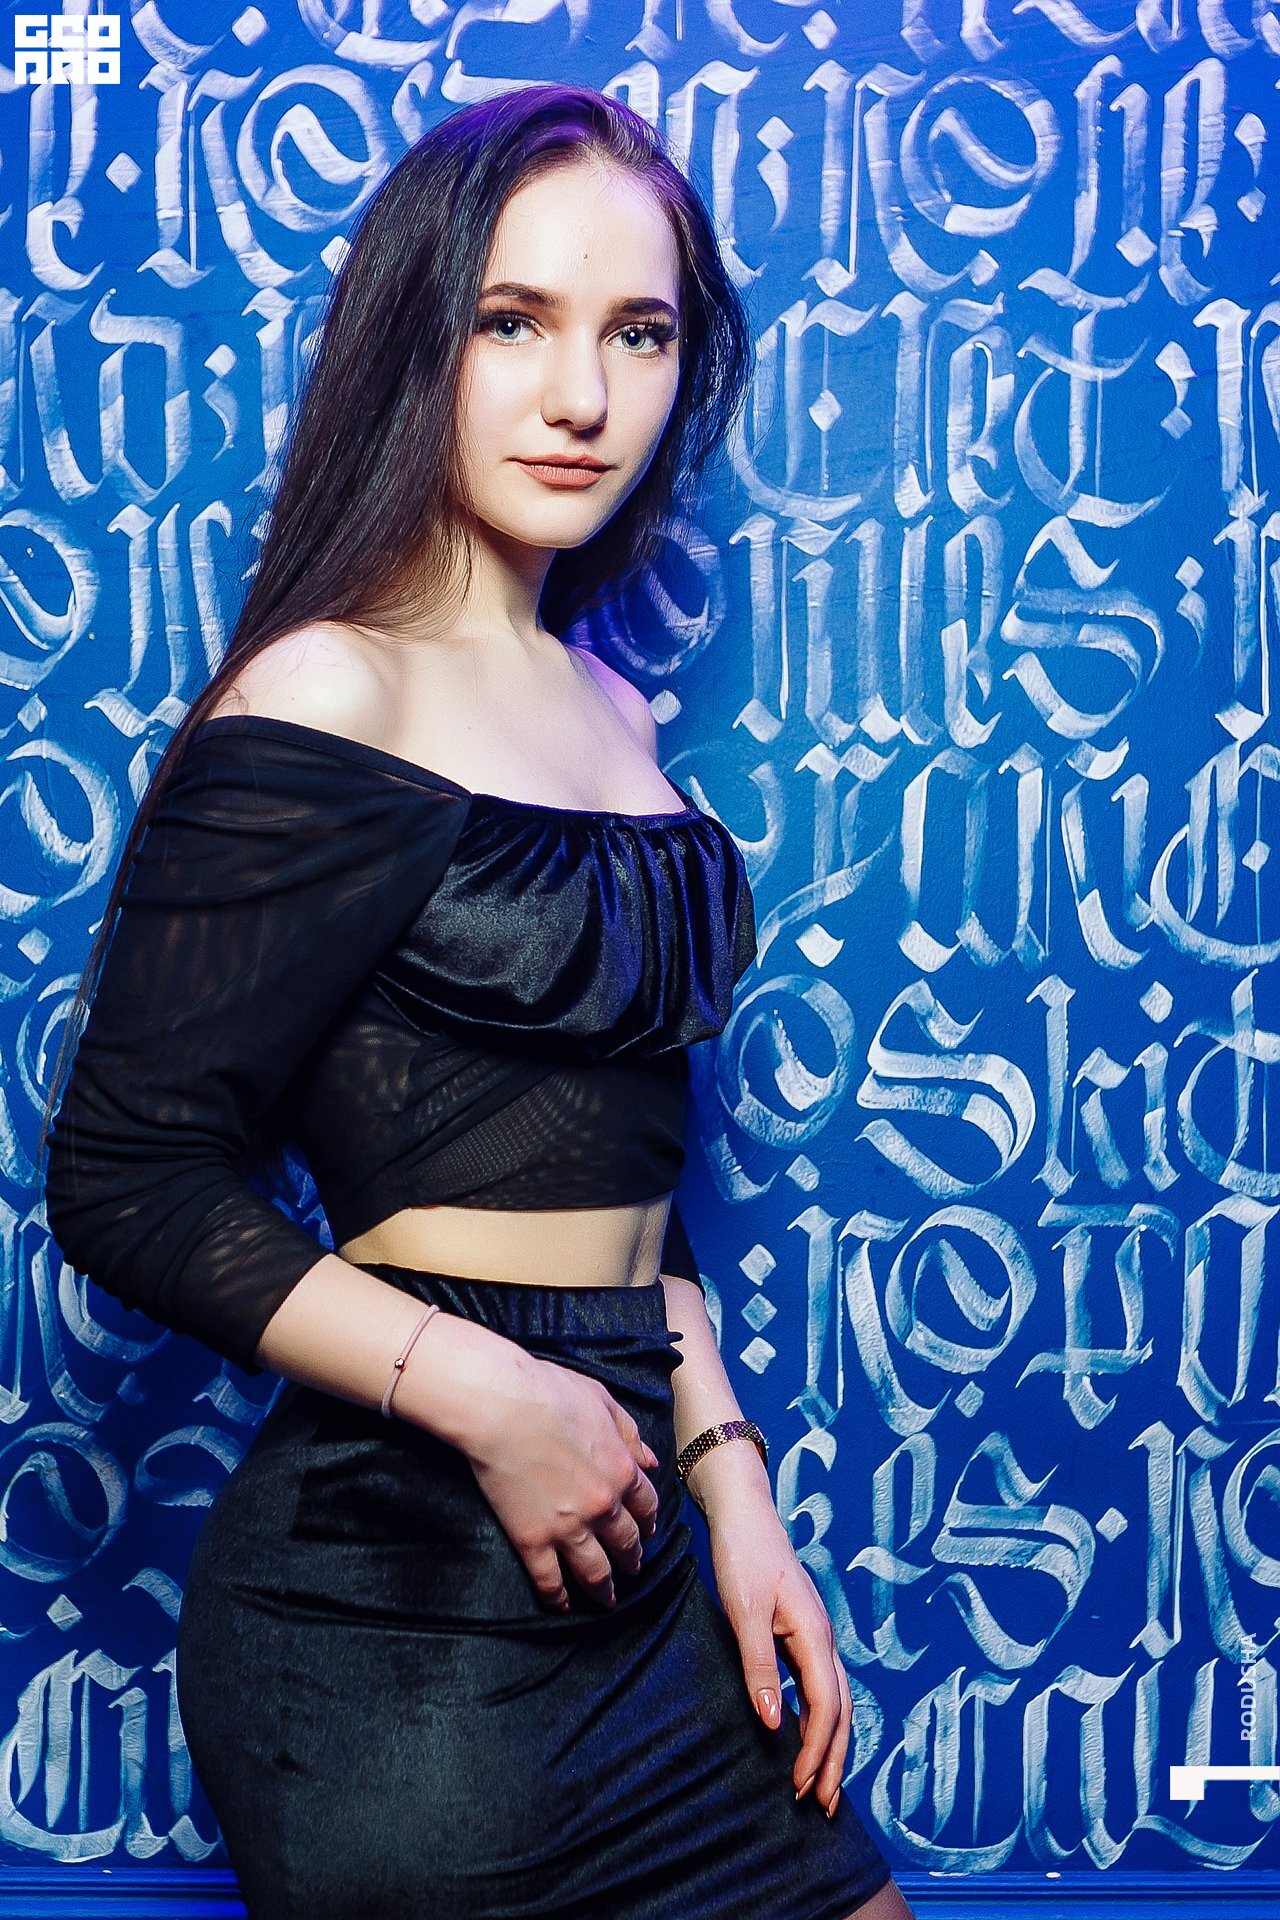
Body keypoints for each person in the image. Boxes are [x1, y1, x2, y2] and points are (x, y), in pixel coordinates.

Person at [40, 84, 914, 1920]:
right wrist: (499, 1399)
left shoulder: (615, 712)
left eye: (639, 333)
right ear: (417, 335)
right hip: (390, 1610)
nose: (581, 395)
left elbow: (621, 1182)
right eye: (515, 322)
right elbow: (127, 1181)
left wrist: (736, 1492)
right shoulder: (328, 691)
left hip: (649, 1561)